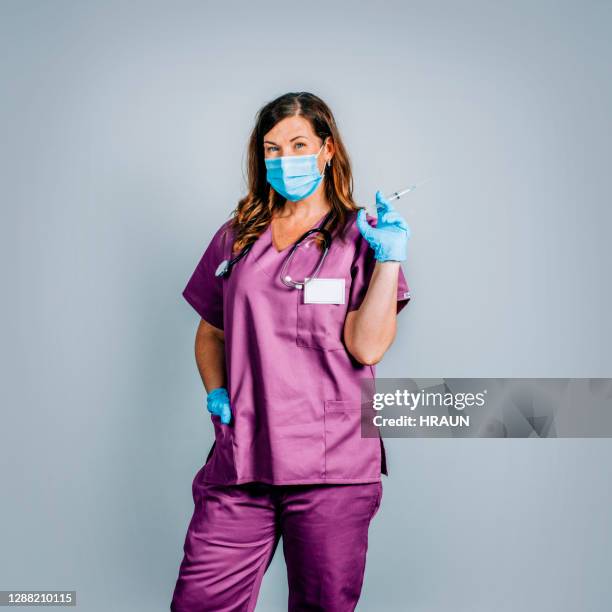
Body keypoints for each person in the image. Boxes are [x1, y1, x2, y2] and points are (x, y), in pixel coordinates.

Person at [170, 91, 411, 612]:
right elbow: (211, 329)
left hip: (333, 464)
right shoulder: (237, 235)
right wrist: (216, 392)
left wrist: (388, 260)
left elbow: (366, 346)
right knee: (199, 602)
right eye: (272, 149)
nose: (285, 159)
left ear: (327, 150)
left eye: (298, 144)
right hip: (244, 456)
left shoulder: (360, 237)